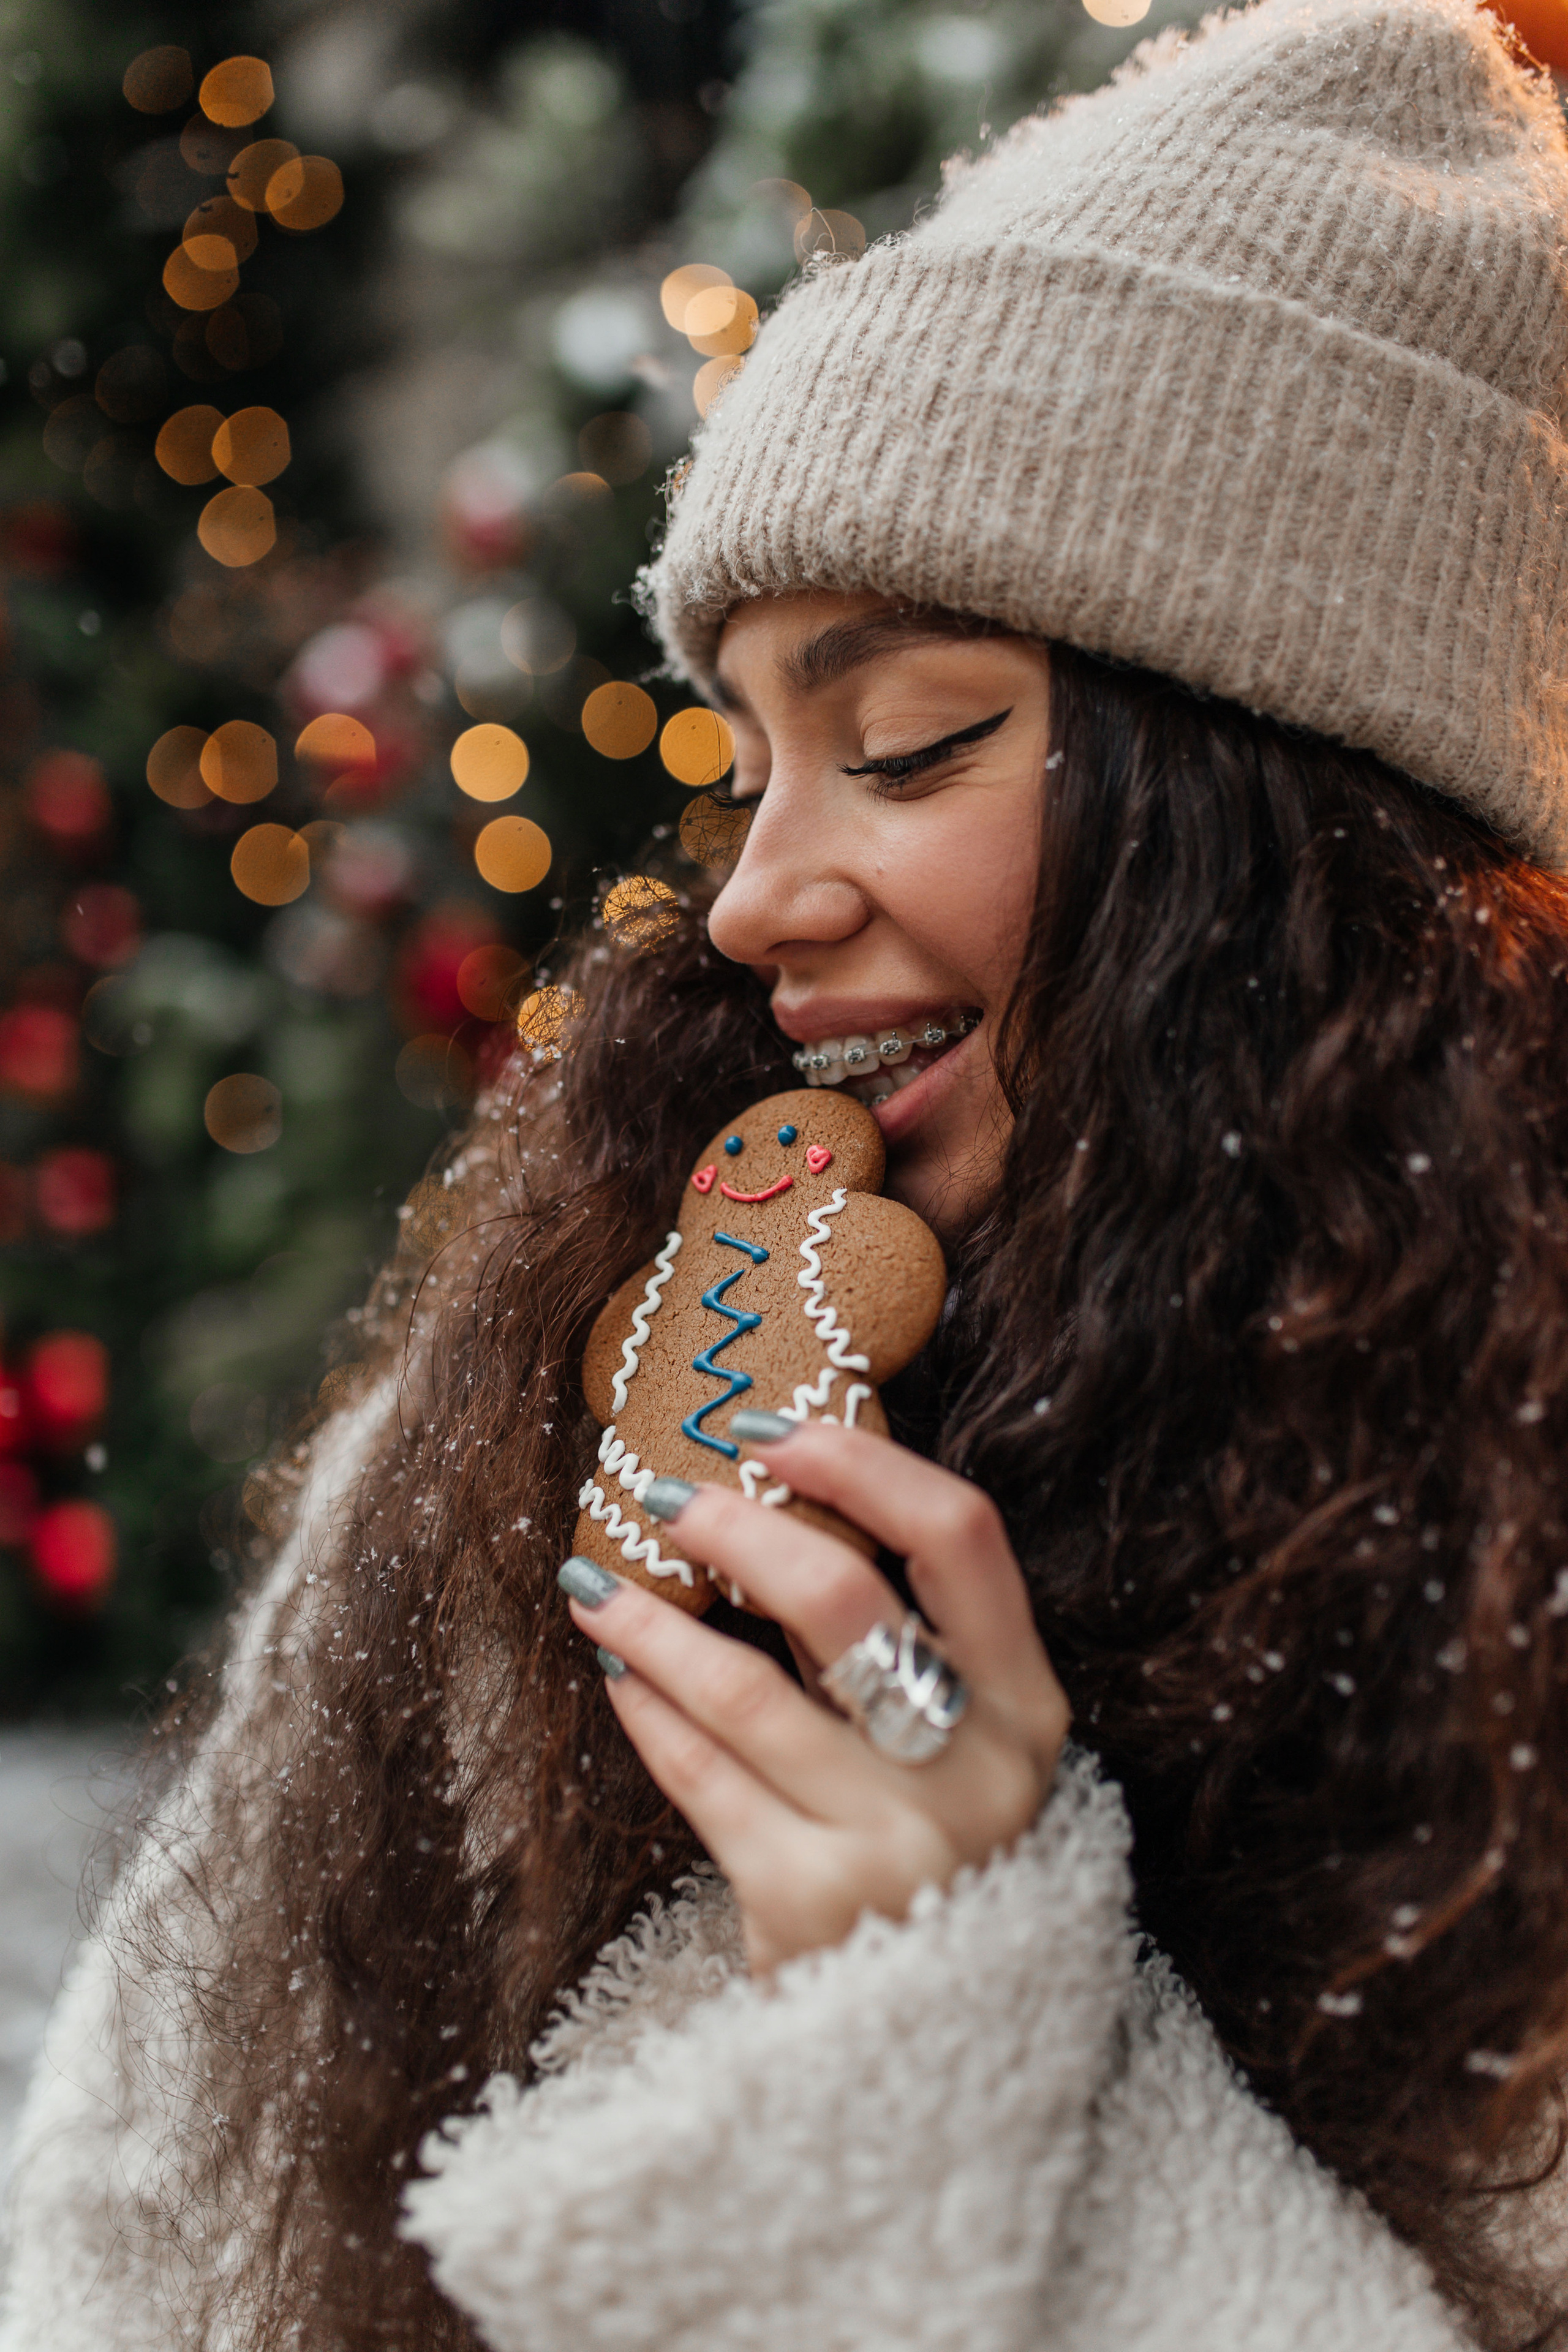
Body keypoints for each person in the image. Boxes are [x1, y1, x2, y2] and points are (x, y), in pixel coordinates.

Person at [6, 0, 1568, 2343]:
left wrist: (928, 2029)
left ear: (1292, 812)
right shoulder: (528, 1411)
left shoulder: (1510, 1582)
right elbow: (136, 2247)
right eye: (744, 768)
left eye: (911, 742)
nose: (750, 901)